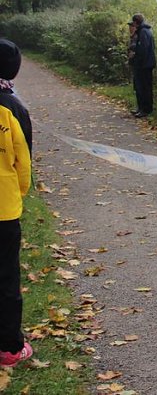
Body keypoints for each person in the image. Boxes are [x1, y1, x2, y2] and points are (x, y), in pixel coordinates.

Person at [0, 39, 34, 367]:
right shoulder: (14, 108)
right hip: (4, 209)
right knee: (6, 277)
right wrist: (20, 193)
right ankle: (10, 347)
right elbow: (24, 163)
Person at [127, 13, 156, 118]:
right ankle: (142, 108)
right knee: (143, 87)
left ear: (135, 22)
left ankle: (145, 109)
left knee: (143, 88)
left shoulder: (143, 32)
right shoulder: (147, 31)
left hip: (144, 65)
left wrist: (135, 58)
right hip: (147, 64)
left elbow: (142, 50)